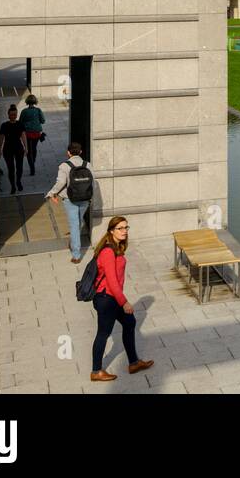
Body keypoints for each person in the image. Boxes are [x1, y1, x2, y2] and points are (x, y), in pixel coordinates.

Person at [89, 215, 153, 382]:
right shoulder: (108, 252)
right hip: (106, 298)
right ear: (111, 231)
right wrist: (124, 302)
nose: (124, 231)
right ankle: (96, 371)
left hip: (112, 297)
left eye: (126, 228)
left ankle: (133, 362)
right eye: (120, 228)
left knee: (129, 322)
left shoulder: (116, 247)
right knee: (103, 333)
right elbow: (111, 281)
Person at [46, 142, 93, 263]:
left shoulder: (64, 166)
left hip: (70, 199)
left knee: (74, 224)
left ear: (68, 153)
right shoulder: (87, 165)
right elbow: (92, 183)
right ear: (81, 152)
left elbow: (60, 182)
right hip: (85, 199)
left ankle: (76, 254)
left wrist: (52, 193)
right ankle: (73, 242)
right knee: (77, 222)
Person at [0, 105, 27, 193]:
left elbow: (23, 136)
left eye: (15, 114)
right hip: (7, 149)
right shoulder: (4, 125)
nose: (13, 116)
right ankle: (13, 186)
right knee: (11, 169)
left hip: (18, 148)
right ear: (8, 115)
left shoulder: (20, 124)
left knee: (19, 167)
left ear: (16, 115)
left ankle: (18, 181)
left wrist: (26, 148)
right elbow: (1, 138)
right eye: (11, 114)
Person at [19, 93, 46, 177]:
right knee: (34, 148)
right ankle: (33, 161)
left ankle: (31, 167)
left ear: (27, 102)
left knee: (28, 150)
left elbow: (20, 122)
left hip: (27, 133)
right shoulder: (38, 110)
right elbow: (43, 121)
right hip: (36, 133)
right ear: (35, 101)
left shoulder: (24, 111)